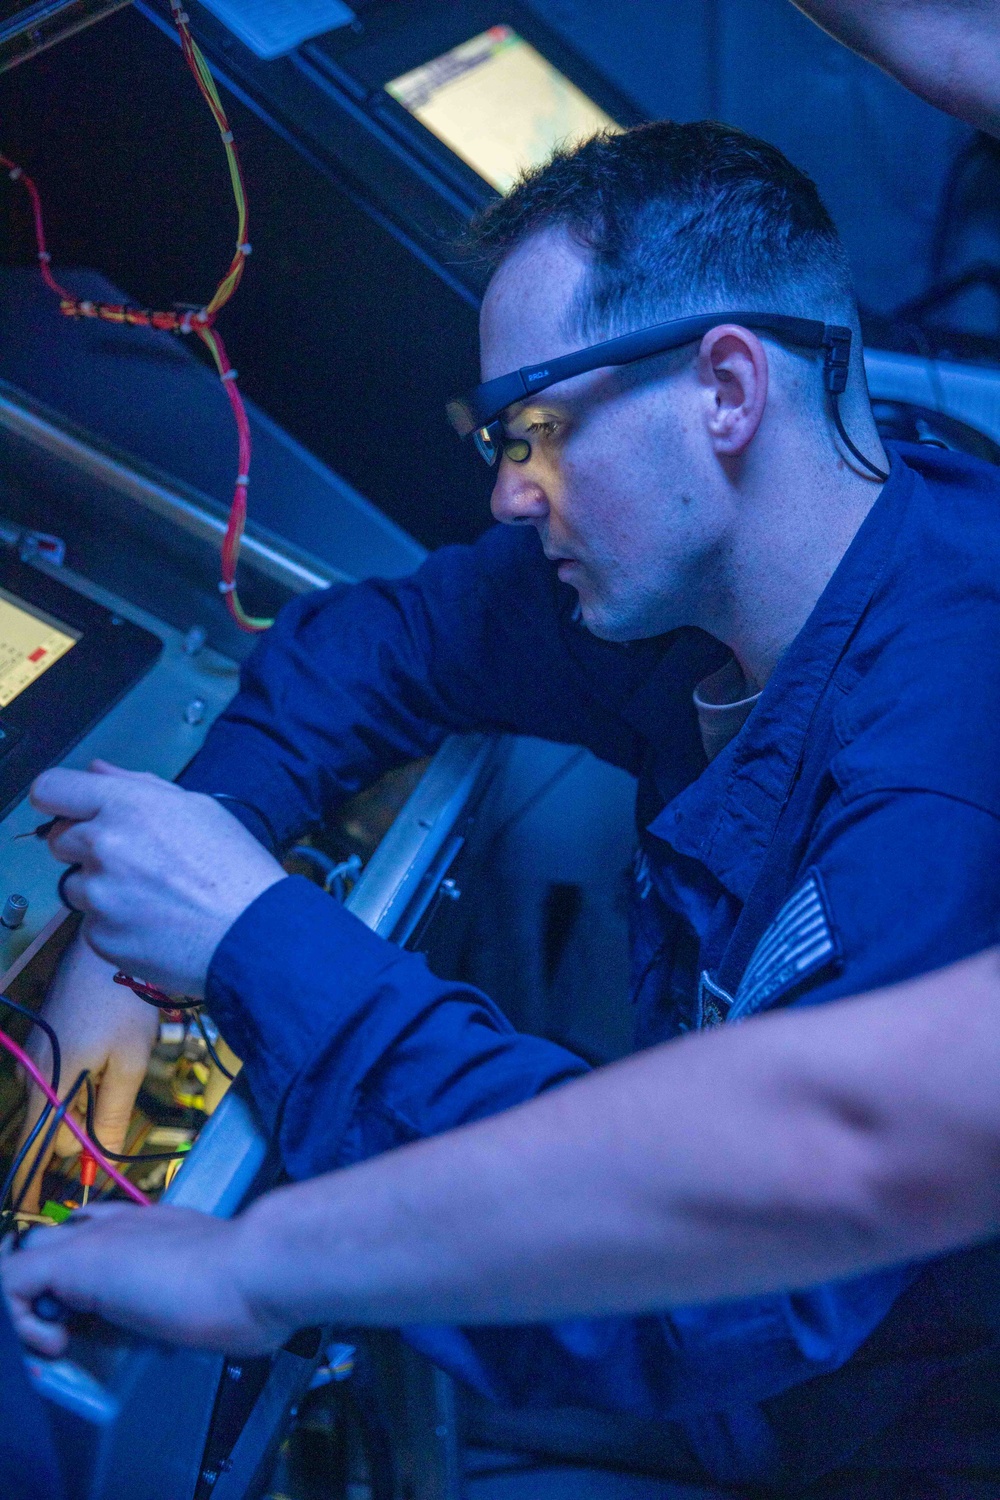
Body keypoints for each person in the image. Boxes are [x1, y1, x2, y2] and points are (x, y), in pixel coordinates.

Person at [7, 36, 1000, 1500]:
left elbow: (728, 1272)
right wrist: (173, 868)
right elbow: (390, 637)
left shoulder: (938, 775)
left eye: (534, 430)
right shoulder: (747, 572)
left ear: (726, 393)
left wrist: (249, 942)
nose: (503, 489)